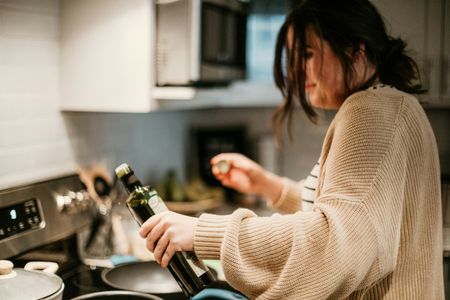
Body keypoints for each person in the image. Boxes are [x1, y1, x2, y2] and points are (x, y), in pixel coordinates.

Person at [138, 0, 444, 298]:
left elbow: (333, 242)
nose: (297, 72)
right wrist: (267, 185)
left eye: (308, 55)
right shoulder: (397, 105)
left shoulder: (369, 111)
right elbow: (354, 212)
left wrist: (204, 233)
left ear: (355, 51)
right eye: (293, 60)